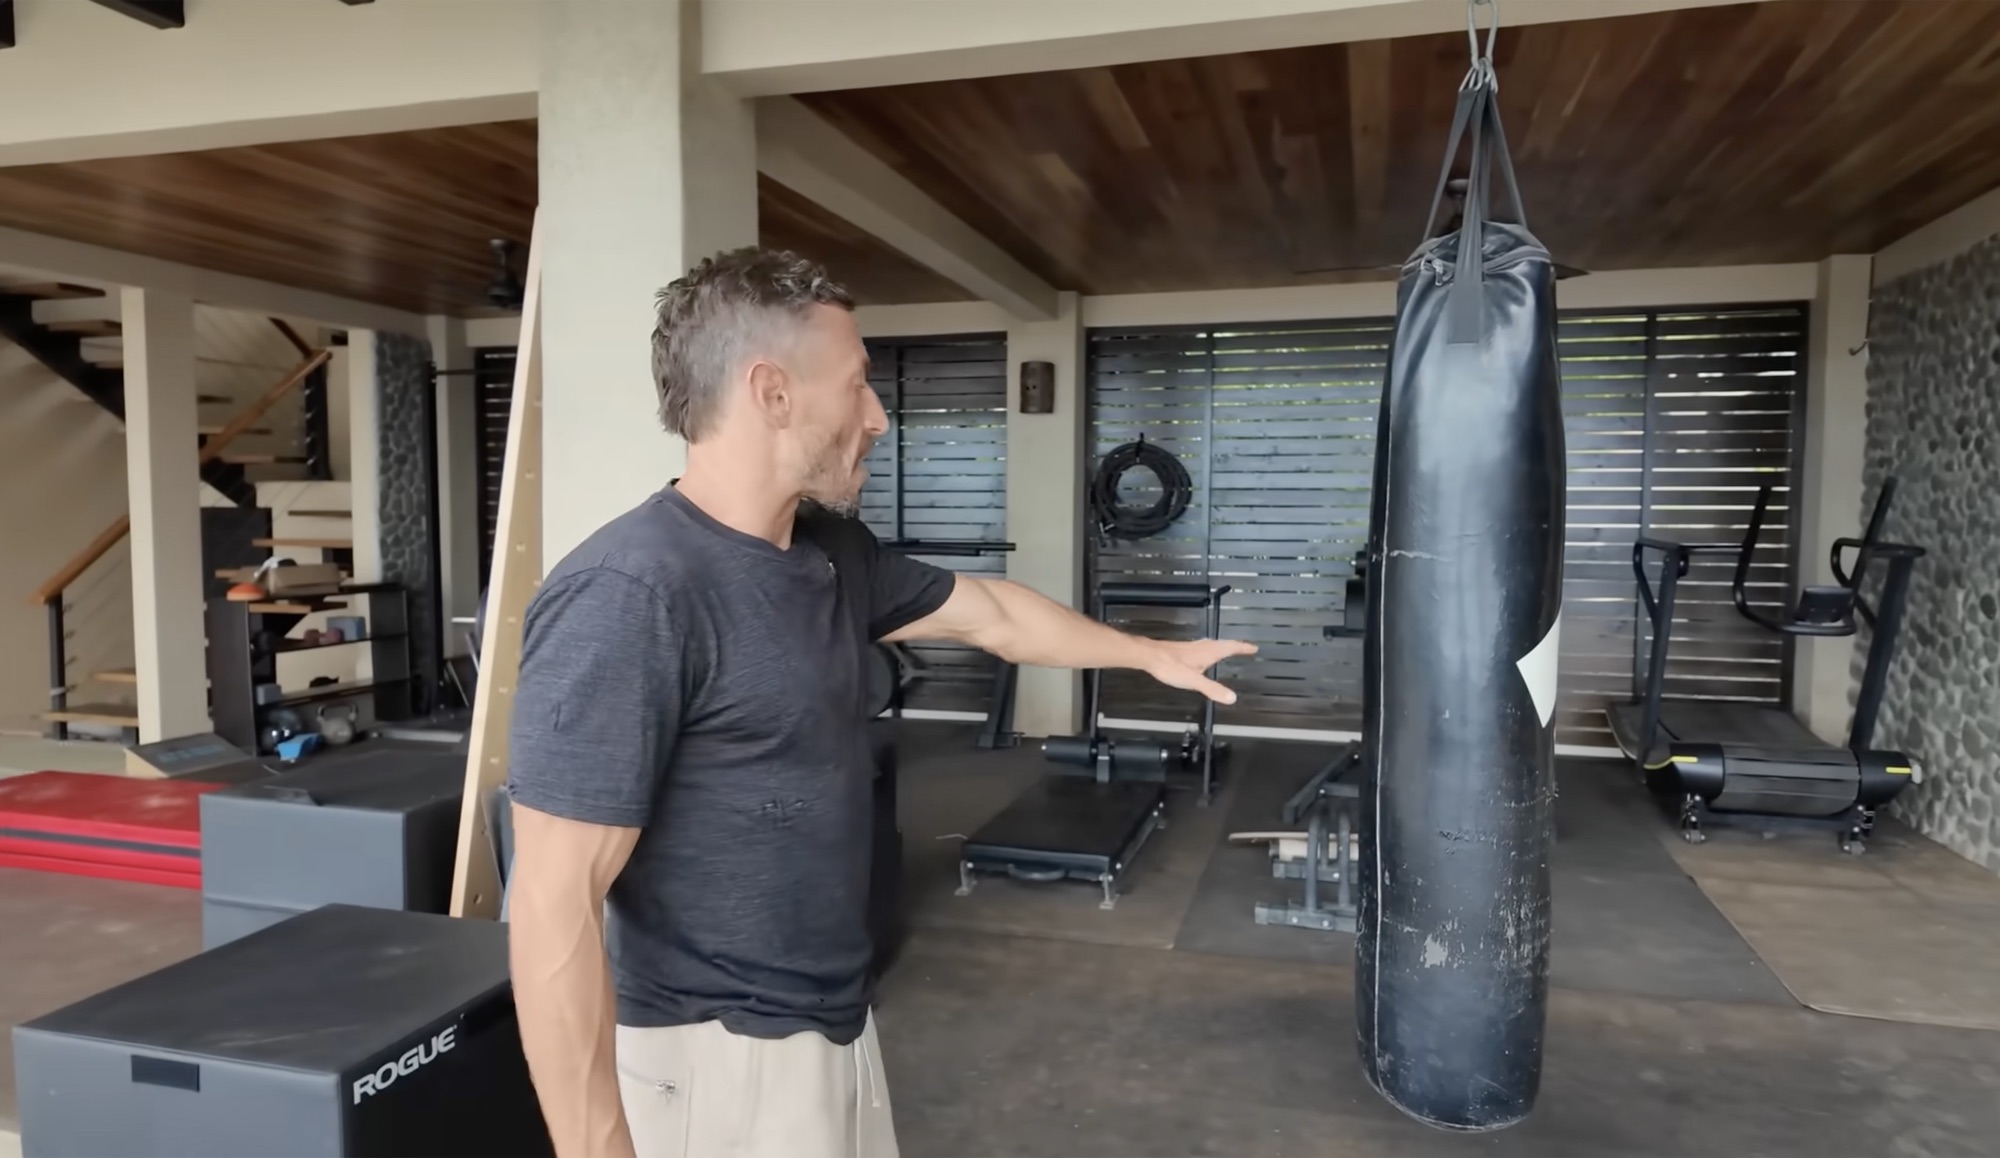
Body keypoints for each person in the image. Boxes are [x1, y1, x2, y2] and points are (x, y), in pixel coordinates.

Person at [504, 247, 1257, 1158]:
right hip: (717, 1058)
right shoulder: (633, 593)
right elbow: (553, 904)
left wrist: (1149, 655)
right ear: (773, 392)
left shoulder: (828, 551)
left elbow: (992, 615)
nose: (880, 417)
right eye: (859, 386)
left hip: (834, 1026)